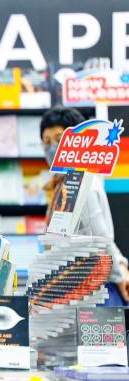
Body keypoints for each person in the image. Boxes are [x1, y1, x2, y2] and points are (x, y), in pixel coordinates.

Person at [41, 106, 129, 305]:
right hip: (79, 289)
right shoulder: (62, 183)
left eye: (59, 139)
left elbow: (100, 240)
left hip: (95, 291)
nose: (52, 148)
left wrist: (120, 275)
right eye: (46, 142)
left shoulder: (81, 182)